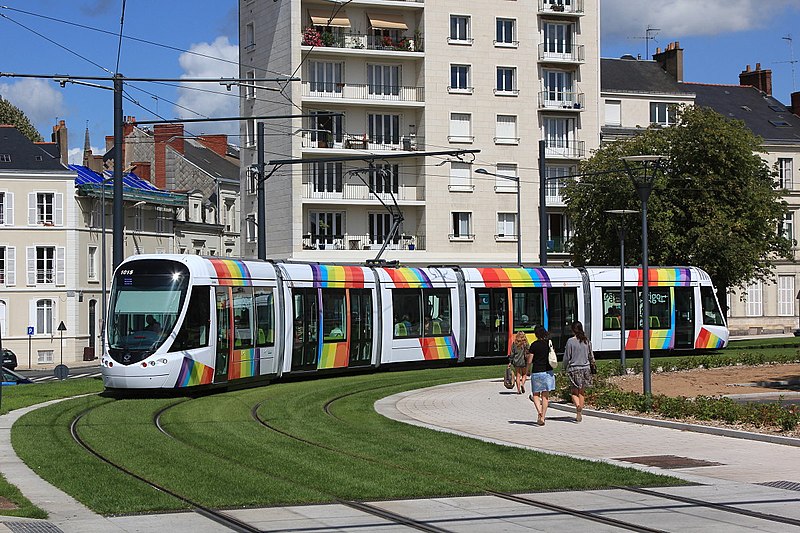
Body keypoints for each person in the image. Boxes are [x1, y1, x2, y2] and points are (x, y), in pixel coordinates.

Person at [562, 321, 595, 422]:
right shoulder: (587, 341)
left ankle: (577, 406)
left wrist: (564, 367)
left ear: (572, 330)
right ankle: (579, 411)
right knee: (582, 392)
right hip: (586, 369)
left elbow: (567, 356)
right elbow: (591, 356)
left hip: (574, 369)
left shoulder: (570, 341)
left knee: (573, 392)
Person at [528, 325, 556, 426]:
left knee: (535, 394)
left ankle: (539, 411)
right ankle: (543, 416)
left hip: (537, 372)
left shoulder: (534, 345)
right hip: (548, 372)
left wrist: (527, 370)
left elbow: (530, 360)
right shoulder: (549, 344)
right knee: (545, 396)